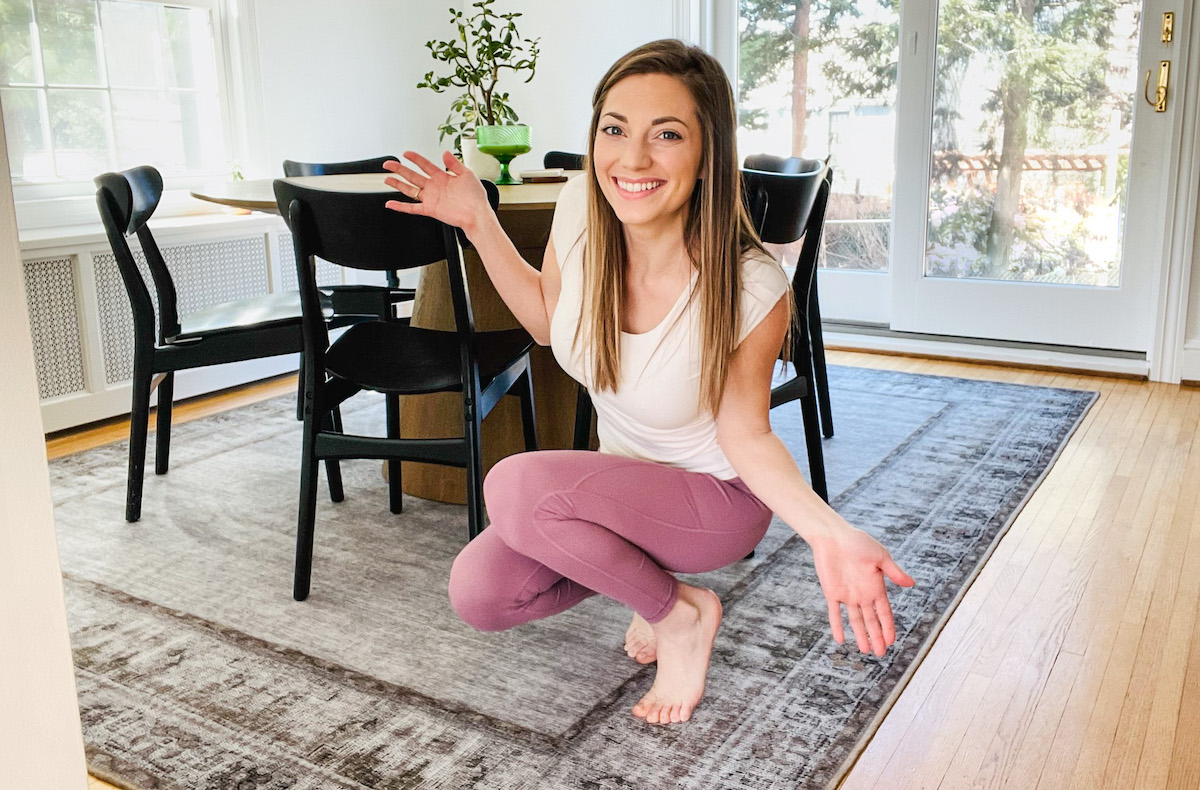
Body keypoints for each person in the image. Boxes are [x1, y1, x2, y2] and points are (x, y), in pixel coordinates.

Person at [383, 39, 913, 726]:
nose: (632, 160)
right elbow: (548, 321)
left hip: (712, 504)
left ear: (707, 152)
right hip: (620, 490)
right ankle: (657, 595)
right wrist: (479, 222)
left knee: (514, 486)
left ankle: (684, 615)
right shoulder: (579, 207)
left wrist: (827, 533)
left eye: (666, 135)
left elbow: (746, 434)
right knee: (481, 592)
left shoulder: (750, 286)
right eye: (615, 129)